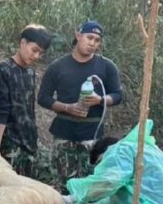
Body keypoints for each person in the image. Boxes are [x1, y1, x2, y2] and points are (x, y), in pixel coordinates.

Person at [37, 20, 123, 191]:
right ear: (78, 35)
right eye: (89, 37)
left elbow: (118, 95)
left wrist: (100, 100)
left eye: (97, 40)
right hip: (64, 133)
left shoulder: (106, 66)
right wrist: (67, 107)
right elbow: (43, 98)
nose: (92, 43)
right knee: (66, 185)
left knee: (92, 185)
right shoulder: (58, 66)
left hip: (93, 136)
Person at [0, 24, 52, 179]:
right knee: (7, 190)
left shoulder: (30, 71)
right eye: (34, 50)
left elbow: (29, 109)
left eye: (41, 53)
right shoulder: (3, 69)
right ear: (22, 43)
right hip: (10, 142)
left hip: (29, 140)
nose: (36, 56)